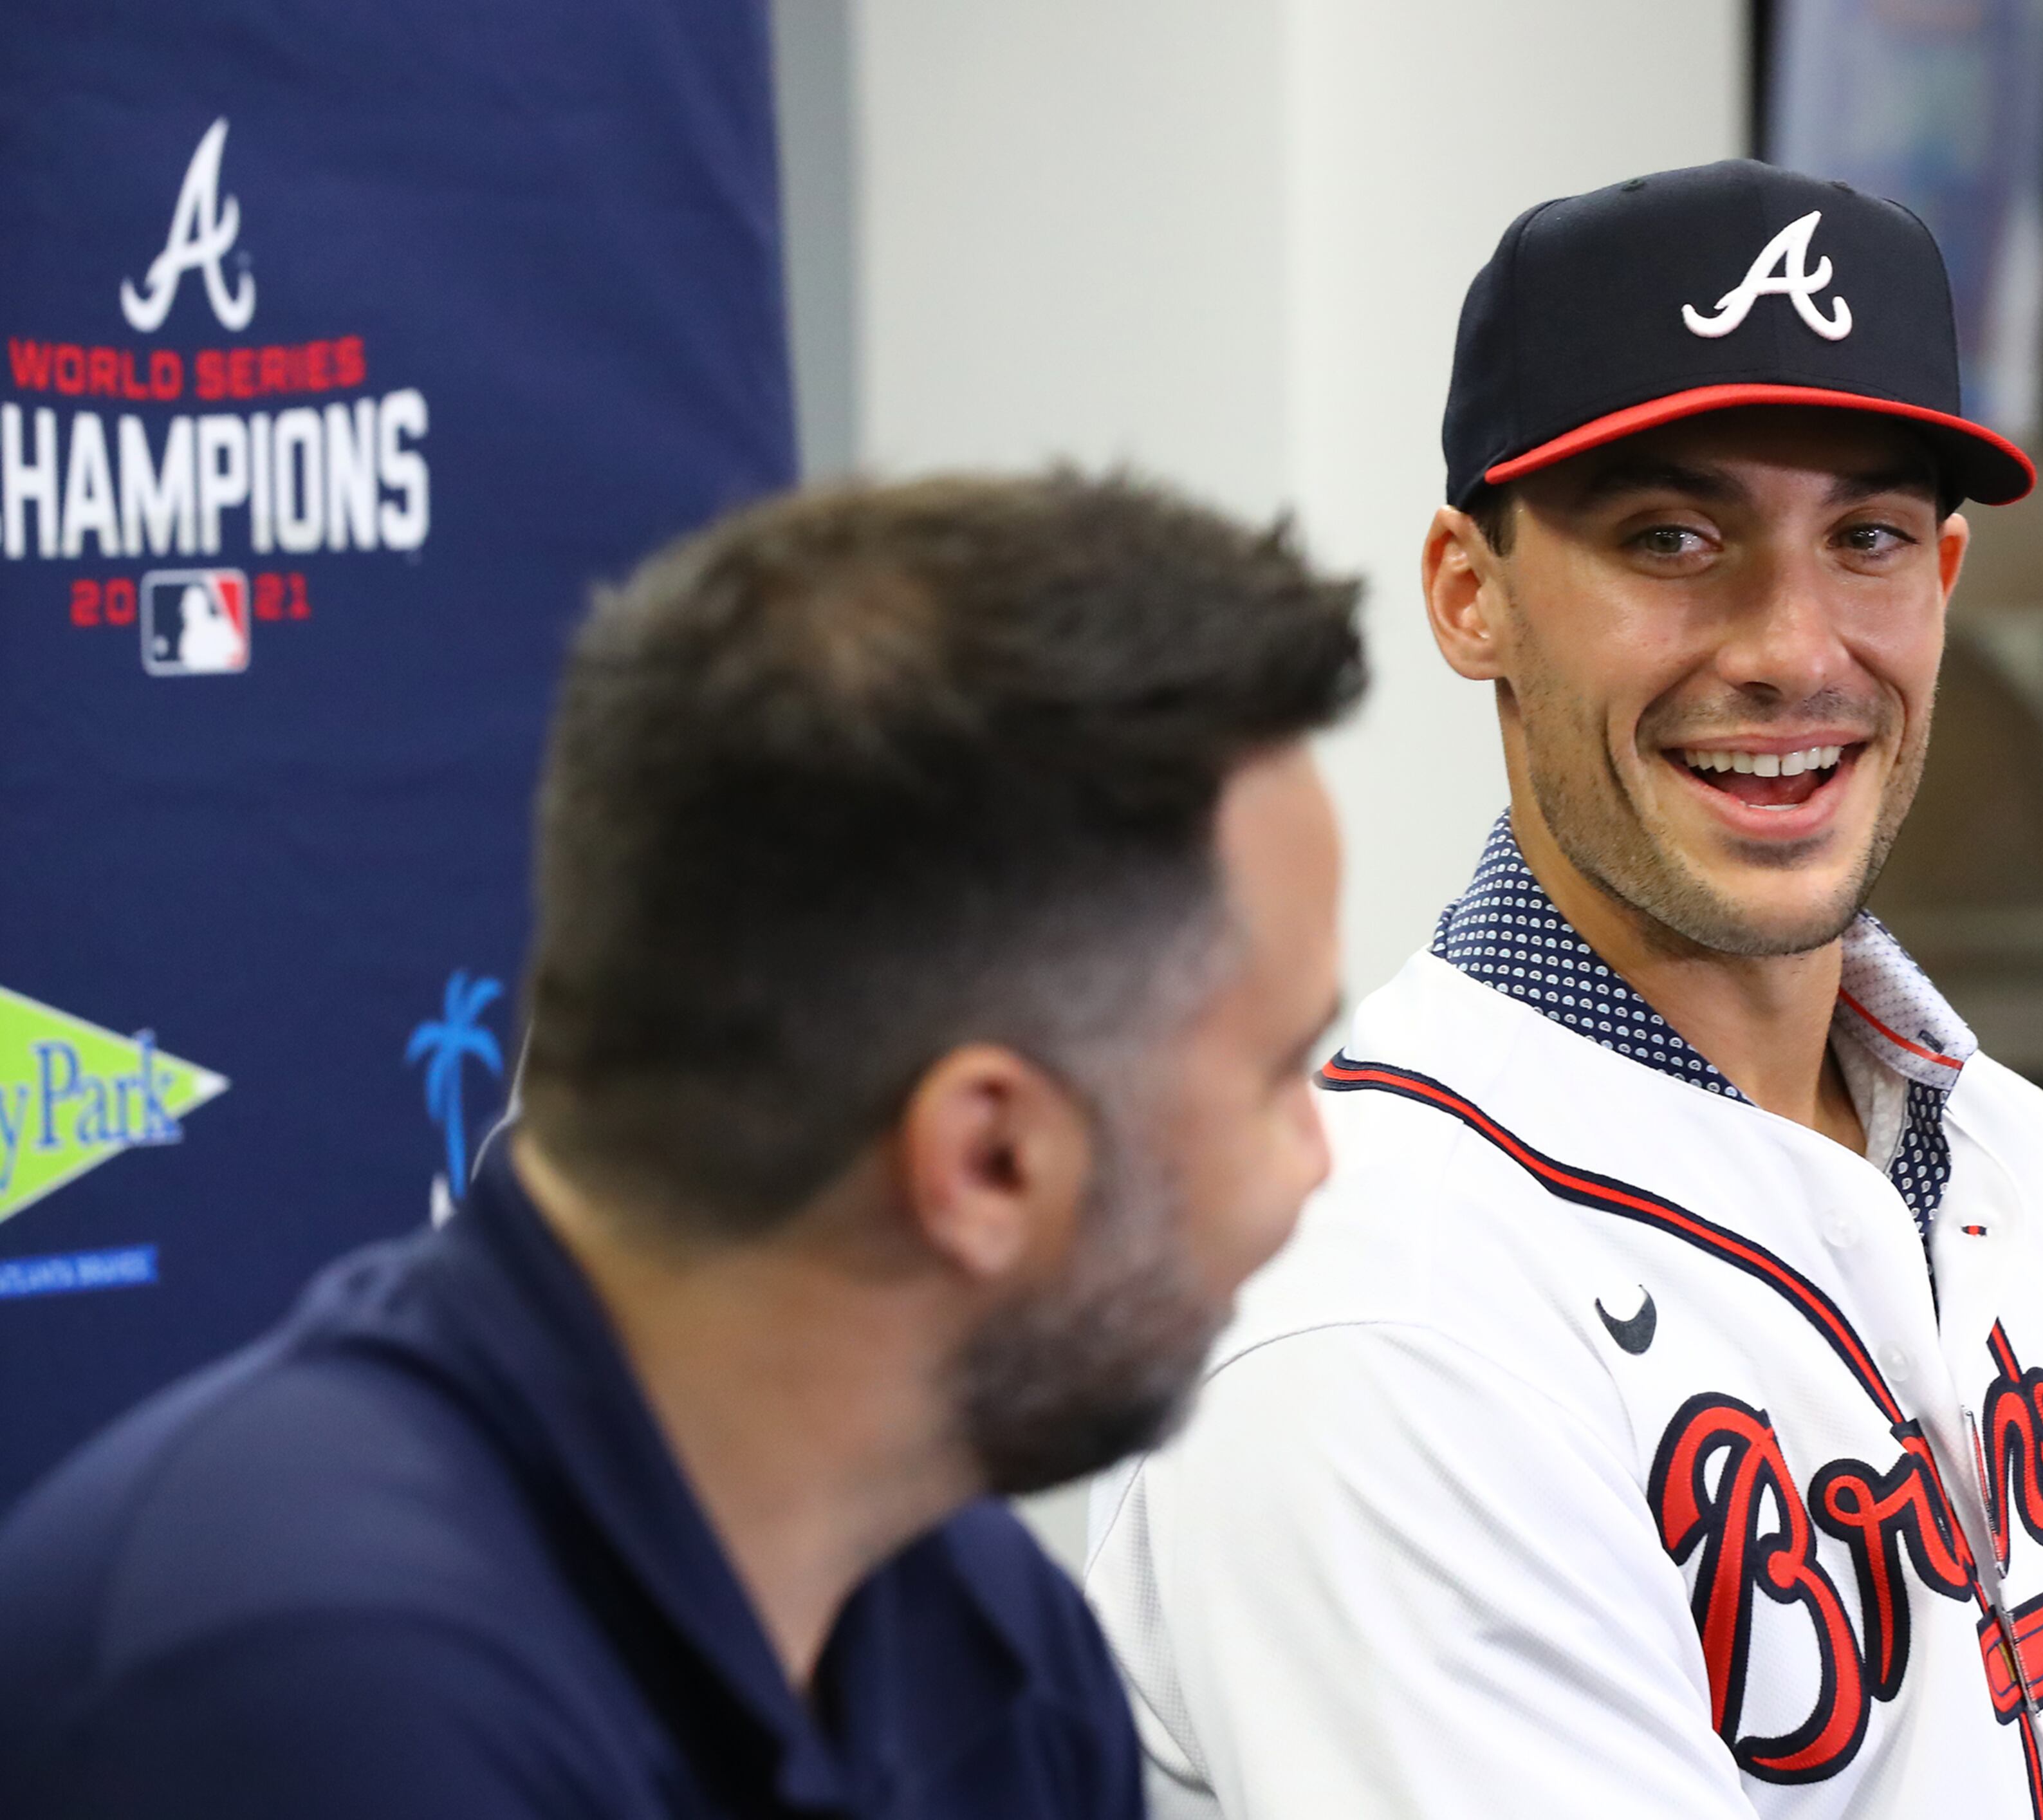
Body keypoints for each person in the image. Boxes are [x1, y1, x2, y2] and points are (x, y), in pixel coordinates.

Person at [1086, 162, 2043, 1820]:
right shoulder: (1372, 1306)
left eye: (1866, 535)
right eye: (1673, 535)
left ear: (1944, 582)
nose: (1792, 646)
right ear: (1472, 592)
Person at [0, 471, 1364, 1818]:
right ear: (988, 1161)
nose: (1320, 1158)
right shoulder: (300, 1695)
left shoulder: (978, 1632)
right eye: (1280, 1073)